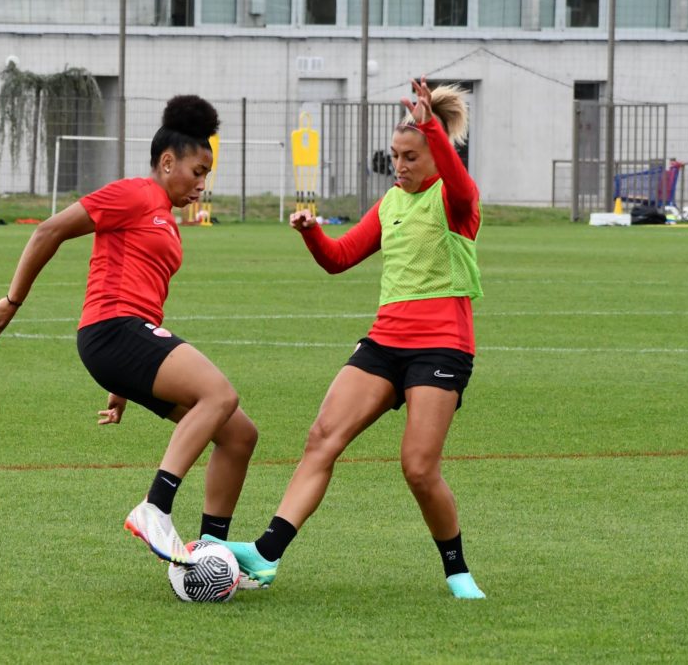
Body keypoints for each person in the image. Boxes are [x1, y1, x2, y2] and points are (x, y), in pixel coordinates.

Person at [206, 79, 487, 599]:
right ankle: (267, 555)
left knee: (418, 467)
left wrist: (430, 125)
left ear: (436, 153)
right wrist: (311, 232)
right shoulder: (390, 204)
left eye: (410, 157)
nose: (398, 165)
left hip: (442, 345)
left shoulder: (455, 200)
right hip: (385, 342)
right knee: (322, 437)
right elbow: (338, 260)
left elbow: (459, 181)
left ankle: (457, 571)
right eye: (394, 156)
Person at [0, 95, 258, 567]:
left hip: (129, 341)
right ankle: (155, 507)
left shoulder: (167, 221)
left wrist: (122, 387)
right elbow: (48, 231)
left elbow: (146, 302)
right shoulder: (134, 194)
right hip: (111, 331)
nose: (202, 183)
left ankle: (213, 554)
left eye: (207, 174)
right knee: (219, 395)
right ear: (167, 162)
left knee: (239, 435)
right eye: (197, 171)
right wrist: (12, 301)